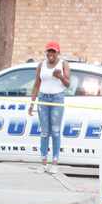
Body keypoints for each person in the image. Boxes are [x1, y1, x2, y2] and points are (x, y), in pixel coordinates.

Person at [29, 41, 70, 174]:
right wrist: (32, 103)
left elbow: (68, 84)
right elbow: (36, 84)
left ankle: (55, 162)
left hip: (57, 98)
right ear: (46, 52)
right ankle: (43, 163)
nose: (51, 54)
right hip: (43, 98)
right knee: (44, 132)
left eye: (54, 51)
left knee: (56, 131)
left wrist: (60, 77)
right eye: (49, 51)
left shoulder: (63, 64)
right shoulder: (41, 65)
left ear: (58, 53)